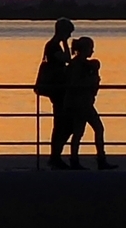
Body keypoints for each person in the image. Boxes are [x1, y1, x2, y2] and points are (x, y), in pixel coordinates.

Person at [65, 36, 115, 170]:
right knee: (95, 129)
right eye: (90, 48)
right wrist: (91, 80)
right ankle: (99, 160)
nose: (92, 51)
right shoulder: (77, 65)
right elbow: (75, 83)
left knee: (80, 131)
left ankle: (76, 160)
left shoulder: (83, 65)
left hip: (83, 102)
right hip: (81, 103)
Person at [35, 18, 74, 168]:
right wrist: (65, 43)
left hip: (59, 89)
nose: (69, 36)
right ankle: (55, 156)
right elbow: (67, 59)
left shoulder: (53, 46)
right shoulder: (52, 46)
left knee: (62, 123)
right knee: (61, 123)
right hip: (56, 89)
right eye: (68, 33)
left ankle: (56, 155)